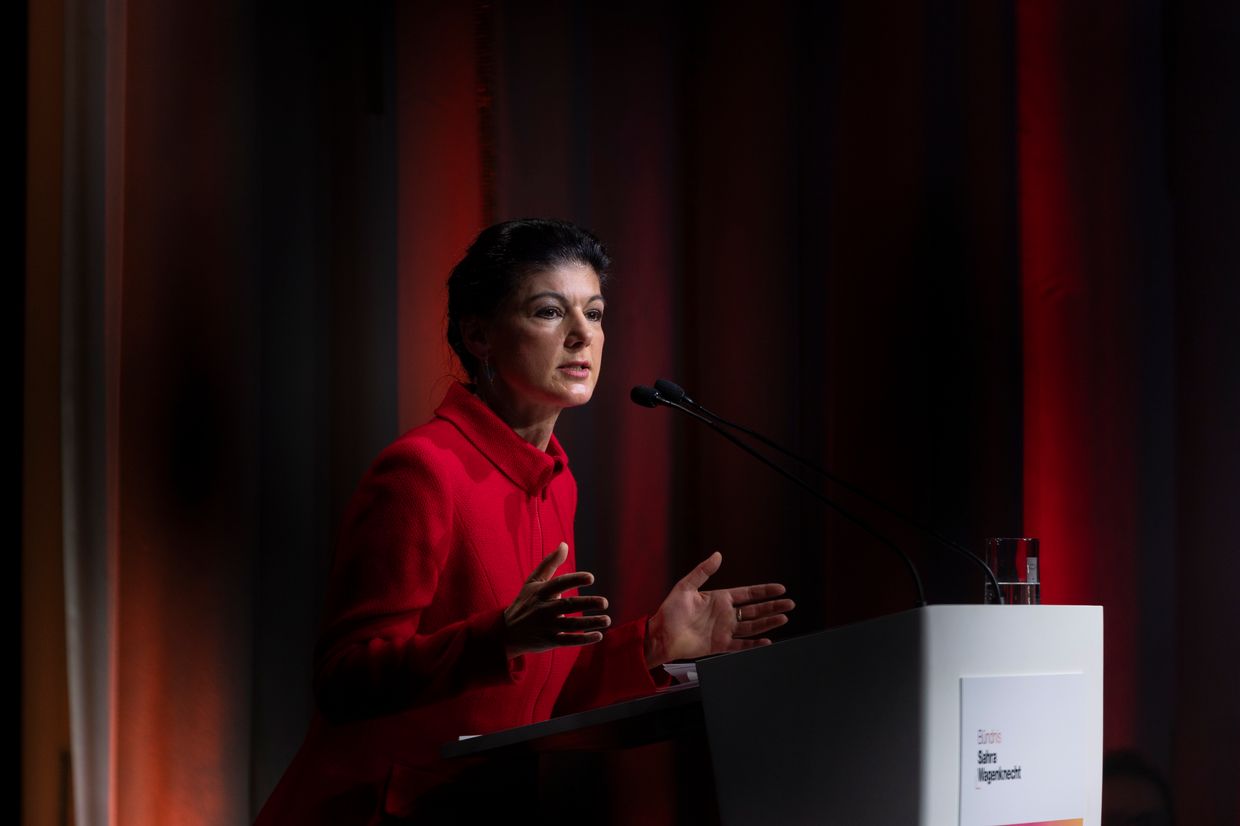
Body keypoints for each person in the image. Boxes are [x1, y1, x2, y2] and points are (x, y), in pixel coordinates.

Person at [255, 219, 794, 824]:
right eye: (548, 312)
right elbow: (343, 679)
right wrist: (500, 637)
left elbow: (534, 694)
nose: (580, 336)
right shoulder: (422, 470)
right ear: (479, 335)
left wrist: (652, 644)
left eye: (594, 313)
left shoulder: (557, 481)